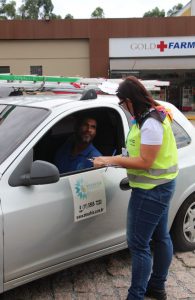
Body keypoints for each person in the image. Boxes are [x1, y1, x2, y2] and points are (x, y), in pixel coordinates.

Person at [93, 76, 178, 300]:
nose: (122, 106)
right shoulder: (150, 114)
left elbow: (145, 162)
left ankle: (136, 295)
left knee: (139, 244)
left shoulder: (151, 122)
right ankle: (157, 287)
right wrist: (118, 157)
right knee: (160, 237)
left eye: (122, 102)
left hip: (150, 191)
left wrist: (110, 161)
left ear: (130, 100)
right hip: (161, 186)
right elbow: (138, 153)